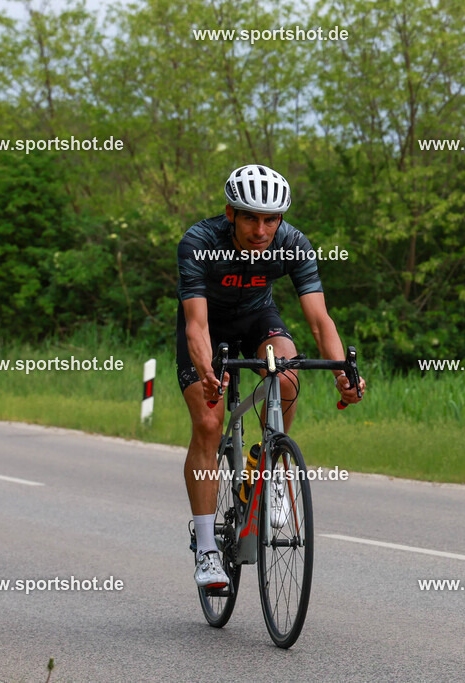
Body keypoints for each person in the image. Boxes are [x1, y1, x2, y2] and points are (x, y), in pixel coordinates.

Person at [176, 164, 365, 588]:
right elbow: (196, 325)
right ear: (230, 213)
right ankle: (206, 549)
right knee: (208, 422)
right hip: (209, 329)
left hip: (258, 318)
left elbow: (319, 319)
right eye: (250, 218)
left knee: (288, 372)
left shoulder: (292, 243)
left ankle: (270, 465)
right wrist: (208, 373)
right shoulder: (200, 242)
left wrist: (342, 373)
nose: (262, 229)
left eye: (271, 219)